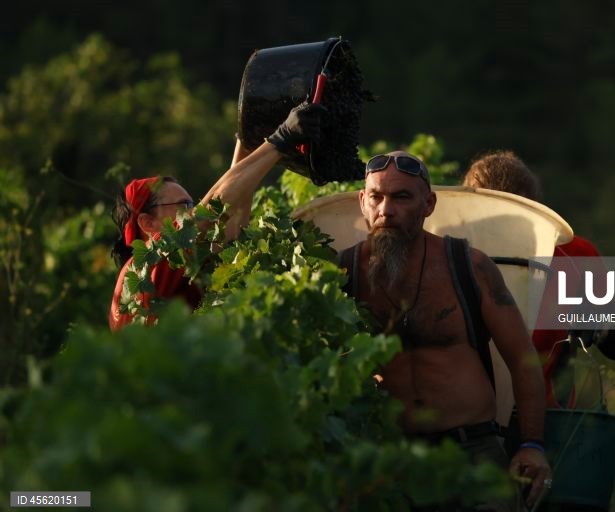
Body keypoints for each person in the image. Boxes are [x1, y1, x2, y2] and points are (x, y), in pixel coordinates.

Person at [338, 150, 552, 511]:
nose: (386, 210)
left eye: (402, 197)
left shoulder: (470, 267)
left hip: (472, 453)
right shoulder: (343, 275)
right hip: (387, 457)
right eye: (376, 196)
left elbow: (522, 359)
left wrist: (532, 445)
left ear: (428, 204)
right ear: (363, 201)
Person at [109, 102, 325, 331]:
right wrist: (282, 138)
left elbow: (227, 218)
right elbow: (213, 209)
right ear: (148, 223)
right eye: (184, 205)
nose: (192, 212)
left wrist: (247, 138)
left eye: (192, 204)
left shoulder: (172, 266)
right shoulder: (153, 263)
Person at [462, 150, 615, 408]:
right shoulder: (448, 251)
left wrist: (596, 323)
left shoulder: (574, 254)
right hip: (464, 416)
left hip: (548, 420)